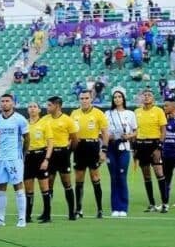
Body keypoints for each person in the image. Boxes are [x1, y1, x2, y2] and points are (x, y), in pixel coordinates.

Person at [70, 90, 110, 219]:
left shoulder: (98, 113)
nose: (84, 100)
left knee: (95, 178)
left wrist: (103, 150)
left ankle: (99, 209)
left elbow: (105, 133)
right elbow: (70, 133)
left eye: (87, 98)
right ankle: (79, 209)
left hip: (92, 146)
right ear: (79, 99)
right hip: (79, 147)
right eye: (82, 98)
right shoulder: (74, 114)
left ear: (91, 99)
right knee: (79, 179)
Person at [0, 94, 29, 227]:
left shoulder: (20, 119)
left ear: (12, 103)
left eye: (7, 101)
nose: (5, 103)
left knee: (18, 186)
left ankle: (22, 219)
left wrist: (22, 154)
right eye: (3, 101)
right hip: (0, 158)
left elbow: (27, 138)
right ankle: (0, 219)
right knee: (1, 188)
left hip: (14, 158)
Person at [39, 96, 79, 220]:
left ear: (57, 106)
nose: (47, 107)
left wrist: (69, 152)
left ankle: (72, 213)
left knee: (66, 182)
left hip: (62, 154)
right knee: (48, 183)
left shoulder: (67, 120)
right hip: (49, 154)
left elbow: (75, 139)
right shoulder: (44, 119)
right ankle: (47, 213)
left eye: (49, 105)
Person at [134, 89, 169, 213]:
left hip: (154, 144)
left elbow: (163, 130)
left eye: (149, 95)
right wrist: (135, 147)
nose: (147, 97)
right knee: (146, 175)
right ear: (141, 98)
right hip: (141, 145)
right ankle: (152, 204)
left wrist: (159, 146)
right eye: (145, 95)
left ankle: (165, 203)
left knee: (159, 173)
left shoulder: (159, 111)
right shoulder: (137, 112)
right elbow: (135, 130)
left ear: (153, 98)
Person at [104, 88, 136, 217]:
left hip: (124, 147)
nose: (117, 99)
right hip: (111, 147)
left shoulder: (130, 113)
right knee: (113, 177)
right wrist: (109, 137)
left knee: (122, 176)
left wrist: (128, 136)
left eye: (119, 96)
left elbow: (135, 131)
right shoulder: (107, 114)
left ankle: (123, 206)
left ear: (123, 98)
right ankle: (115, 207)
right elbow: (103, 132)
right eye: (115, 97)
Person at [23, 102, 54, 223]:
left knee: (44, 188)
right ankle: (27, 215)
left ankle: (47, 215)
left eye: (35, 107)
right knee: (28, 189)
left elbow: (50, 143)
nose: (32, 109)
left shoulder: (45, 123)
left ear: (39, 110)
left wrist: (46, 159)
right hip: (28, 157)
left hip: (40, 156)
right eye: (30, 107)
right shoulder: (24, 123)